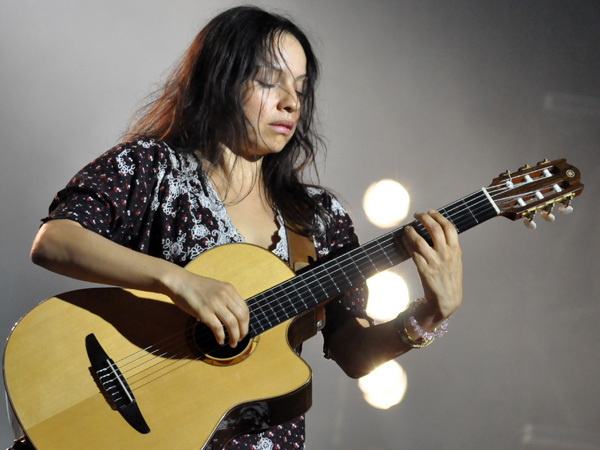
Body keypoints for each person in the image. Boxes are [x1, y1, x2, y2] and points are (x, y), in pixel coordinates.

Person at [30, 5, 462, 449]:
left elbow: (353, 352)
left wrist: (428, 313)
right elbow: (55, 239)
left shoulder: (319, 217)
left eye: (300, 87)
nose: (291, 102)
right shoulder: (154, 168)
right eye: (269, 80)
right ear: (221, 79)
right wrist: (179, 282)